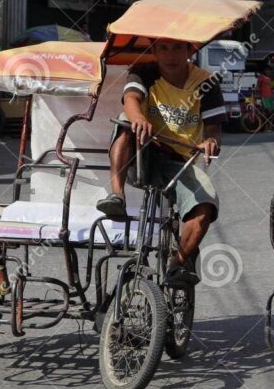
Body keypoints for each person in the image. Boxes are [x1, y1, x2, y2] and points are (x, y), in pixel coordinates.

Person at [96, 38, 224, 288]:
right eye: (163, 48)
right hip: (140, 154)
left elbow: (214, 131)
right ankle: (117, 195)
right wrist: (139, 118)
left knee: (205, 205)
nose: (170, 55)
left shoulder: (206, 82)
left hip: (180, 162)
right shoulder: (143, 71)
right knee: (124, 120)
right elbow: (131, 99)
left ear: (189, 50)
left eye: (177, 48)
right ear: (154, 51)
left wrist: (210, 142)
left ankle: (178, 264)